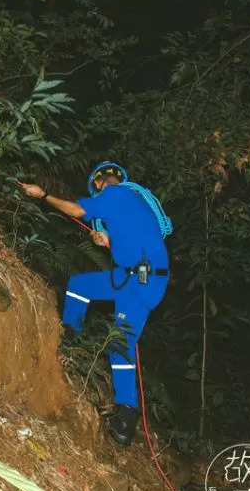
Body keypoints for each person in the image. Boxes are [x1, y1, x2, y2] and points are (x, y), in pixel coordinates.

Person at [21, 162, 173, 446]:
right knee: (80, 285)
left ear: (99, 183)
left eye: (96, 188)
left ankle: (126, 410)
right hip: (136, 276)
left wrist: (43, 196)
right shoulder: (134, 199)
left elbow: (78, 211)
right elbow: (135, 236)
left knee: (121, 343)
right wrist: (107, 239)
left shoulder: (114, 193)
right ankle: (72, 336)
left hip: (141, 280)